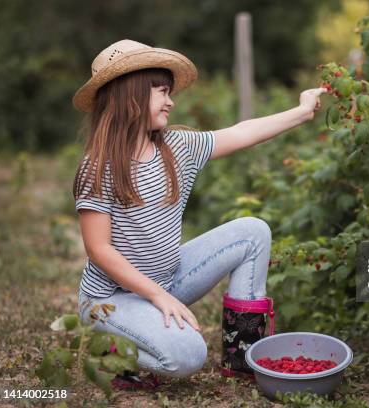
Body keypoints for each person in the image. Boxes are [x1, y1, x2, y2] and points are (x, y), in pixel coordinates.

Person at [72, 39, 326, 389]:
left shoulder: (178, 147)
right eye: (162, 91)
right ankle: (111, 349)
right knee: (188, 356)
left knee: (252, 231)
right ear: (130, 96)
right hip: (109, 301)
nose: (171, 101)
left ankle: (243, 356)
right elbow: (99, 250)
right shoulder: (99, 167)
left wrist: (301, 111)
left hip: (167, 280)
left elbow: (241, 132)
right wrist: (158, 297)